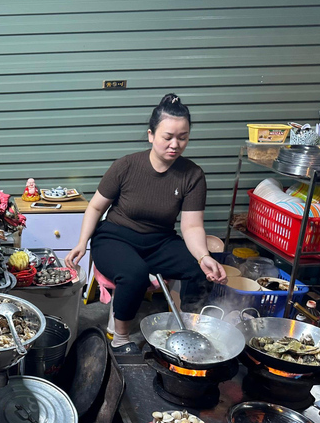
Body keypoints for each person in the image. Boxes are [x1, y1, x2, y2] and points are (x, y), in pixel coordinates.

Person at [65, 93, 227, 353]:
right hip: (115, 237)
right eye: (168, 137)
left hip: (159, 241)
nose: (175, 144)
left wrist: (203, 256)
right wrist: (82, 243)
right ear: (151, 135)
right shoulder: (126, 166)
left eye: (182, 137)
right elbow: (96, 206)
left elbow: (192, 226)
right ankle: (120, 338)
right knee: (134, 273)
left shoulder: (192, 175)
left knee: (200, 269)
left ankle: (189, 328)